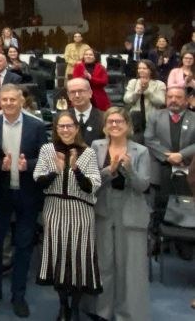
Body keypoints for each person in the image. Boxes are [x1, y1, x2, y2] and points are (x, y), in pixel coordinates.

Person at [80, 107, 151, 321]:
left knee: (129, 267)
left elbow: (143, 186)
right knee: (104, 263)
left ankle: (127, 314)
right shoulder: (96, 147)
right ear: (105, 126)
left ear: (128, 125)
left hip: (130, 210)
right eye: (110, 121)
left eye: (119, 121)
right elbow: (91, 183)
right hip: (103, 208)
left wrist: (128, 169)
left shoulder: (141, 151)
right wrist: (109, 171)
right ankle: (102, 311)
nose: (114, 125)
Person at [0, 85, 47, 317]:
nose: (8, 103)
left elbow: (45, 158)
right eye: (5, 100)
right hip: (0, 193)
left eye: (13, 99)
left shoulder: (37, 125)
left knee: (23, 246)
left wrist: (27, 165)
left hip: (27, 194)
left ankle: (18, 295)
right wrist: (0, 164)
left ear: (21, 100)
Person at [33, 111, 102, 321]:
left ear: (76, 128)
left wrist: (76, 170)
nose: (65, 130)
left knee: (79, 260)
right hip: (54, 210)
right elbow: (39, 180)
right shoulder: (47, 150)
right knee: (58, 259)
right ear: (56, 129)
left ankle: (75, 306)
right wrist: (56, 170)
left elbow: (93, 186)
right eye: (61, 126)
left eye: (69, 126)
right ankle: (63, 306)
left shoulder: (87, 152)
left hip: (81, 212)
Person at [144, 87, 195, 260]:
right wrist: (168, 156)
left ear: (186, 100)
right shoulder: (155, 116)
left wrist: (181, 154)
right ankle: (156, 241)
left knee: (186, 206)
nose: (173, 100)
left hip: (188, 168)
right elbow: (149, 139)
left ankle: (184, 244)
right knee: (159, 206)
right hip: (161, 165)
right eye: (170, 96)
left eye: (178, 97)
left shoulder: (194, 117)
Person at [123, 60, 166, 139]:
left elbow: (161, 101)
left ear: (151, 70)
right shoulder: (133, 82)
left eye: (144, 68)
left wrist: (147, 91)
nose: (141, 70)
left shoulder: (159, 84)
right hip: (135, 119)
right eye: (139, 68)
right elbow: (126, 99)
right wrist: (137, 93)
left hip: (152, 118)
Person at [66, 77, 105, 146]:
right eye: (72, 92)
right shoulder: (62, 118)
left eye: (81, 91)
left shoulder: (103, 118)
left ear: (90, 93)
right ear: (68, 96)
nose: (77, 95)